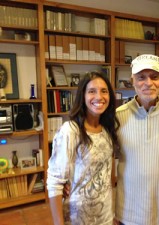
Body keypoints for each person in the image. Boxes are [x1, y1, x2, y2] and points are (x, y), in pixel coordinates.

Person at [115, 54, 159, 225]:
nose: (148, 83)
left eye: (154, 77)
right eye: (141, 77)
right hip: (128, 211)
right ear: (132, 80)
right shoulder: (118, 116)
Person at [47, 71, 120, 225]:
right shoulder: (70, 130)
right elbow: (54, 182)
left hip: (104, 216)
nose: (99, 97)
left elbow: (108, 176)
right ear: (83, 96)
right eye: (92, 91)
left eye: (104, 91)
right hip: (76, 218)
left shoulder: (107, 129)